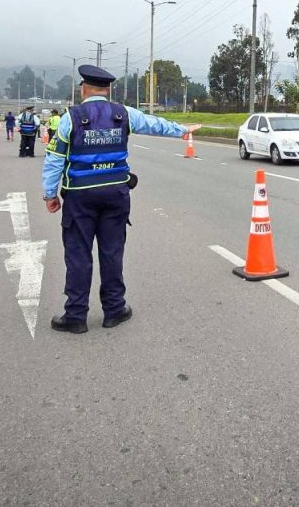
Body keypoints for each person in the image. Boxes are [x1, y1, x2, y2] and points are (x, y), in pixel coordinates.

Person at [42, 65, 201, 334]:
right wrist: (183, 131)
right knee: (112, 251)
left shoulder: (72, 117)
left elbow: (54, 159)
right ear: (108, 90)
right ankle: (114, 310)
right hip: (116, 194)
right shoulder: (123, 113)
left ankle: (76, 316)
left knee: (79, 254)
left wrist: (49, 194)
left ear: (84, 89)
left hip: (80, 197)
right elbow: (155, 124)